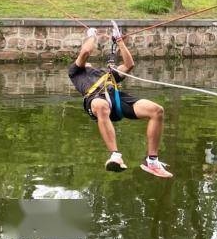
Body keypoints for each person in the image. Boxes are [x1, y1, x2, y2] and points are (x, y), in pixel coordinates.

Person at [68, 21, 173, 178]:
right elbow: (85, 52)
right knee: (101, 104)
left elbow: (129, 65)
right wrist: (91, 35)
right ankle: (115, 155)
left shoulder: (106, 72)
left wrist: (120, 42)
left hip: (117, 99)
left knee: (157, 110)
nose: (88, 62)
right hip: (95, 99)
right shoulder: (76, 72)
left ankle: (152, 161)